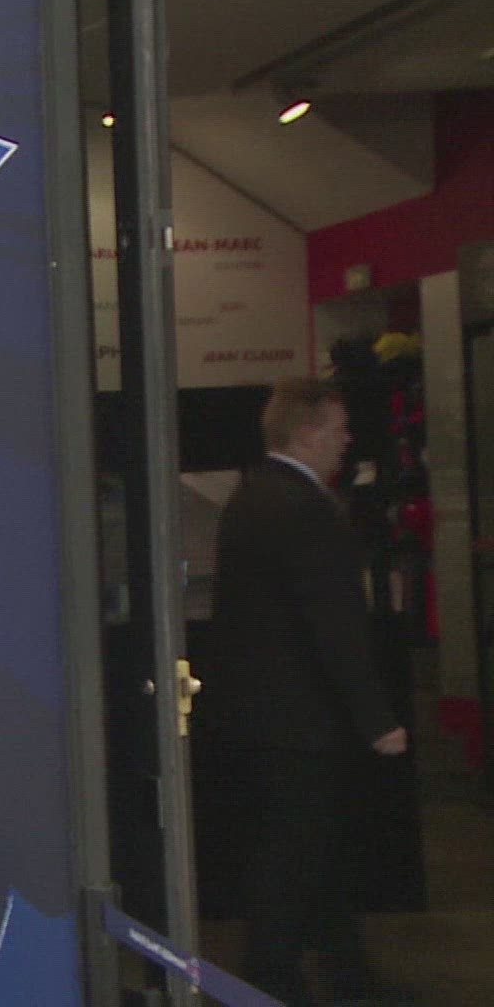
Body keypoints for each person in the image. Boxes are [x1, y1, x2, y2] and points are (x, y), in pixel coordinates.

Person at [211, 377, 406, 1005]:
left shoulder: (252, 496)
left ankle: (343, 969)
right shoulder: (304, 510)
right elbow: (333, 625)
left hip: (265, 715)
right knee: (297, 853)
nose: (348, 439)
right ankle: (270, 978)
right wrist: (376, 719)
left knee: (309, 848)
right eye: (339, 427)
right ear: (308, 432)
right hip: (302, 718)